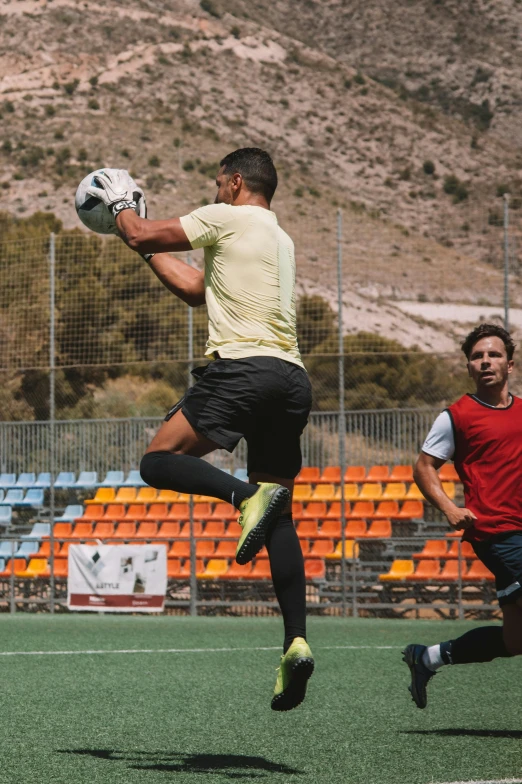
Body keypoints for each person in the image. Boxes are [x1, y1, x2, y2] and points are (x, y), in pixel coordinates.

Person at [87, 148, 314, 711]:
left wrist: (121, 204)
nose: (213, 192)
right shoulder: (278, 240)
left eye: (217, 184)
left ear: (236, 183)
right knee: (280, 511)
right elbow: (193, 288)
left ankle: (243, 498)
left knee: (156, 461)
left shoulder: (227, 217)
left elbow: (142, 234)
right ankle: (297, 641)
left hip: (243, 370)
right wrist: (136, 237)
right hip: (291, 380)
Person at [403, 323, 522, 709]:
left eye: (494, 355)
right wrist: (449, 507)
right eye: (477, 357)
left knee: (514, 641)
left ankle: (428, 657)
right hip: (497, 534)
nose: (485, 362)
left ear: (510, 364)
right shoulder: (456, 416)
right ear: (468, 367)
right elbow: (424, 468)